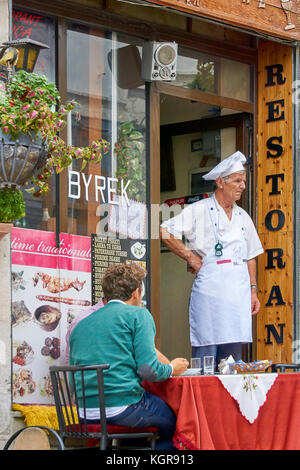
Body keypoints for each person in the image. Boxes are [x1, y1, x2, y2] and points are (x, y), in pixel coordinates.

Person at [160, 151, 264, 368]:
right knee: (206, 356)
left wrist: (253, 290)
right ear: (220, 182)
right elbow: (164, 230)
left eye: (243, 180)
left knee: (232, 362)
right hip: (210, 293)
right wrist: (190, 256)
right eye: (237, 180)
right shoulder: (199, 210)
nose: (242, 185)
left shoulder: (243, 216)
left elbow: (250, 256)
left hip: (238, 295)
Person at [69, 262, 188, 450]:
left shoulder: (81, 324)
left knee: (143, 415)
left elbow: (73, 377)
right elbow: (149, 370)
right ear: (136, 293)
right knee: (179, 422)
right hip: (121, 408)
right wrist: (173, 367)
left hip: (84, 412)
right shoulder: (138, 315)